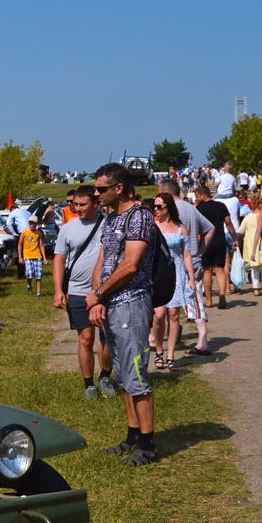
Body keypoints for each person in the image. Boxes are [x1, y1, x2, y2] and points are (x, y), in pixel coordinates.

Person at [86, 163, 158, 466]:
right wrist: (96, 299)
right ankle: (132, 437)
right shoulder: (111, 218)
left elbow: (130, 265)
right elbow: (103, 263)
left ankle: (148, 446)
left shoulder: (139, 217)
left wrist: (101, 294)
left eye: (101, 188)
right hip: (112, 303)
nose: (95, 193)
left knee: (137, 374)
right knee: (124, 373)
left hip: (131, 302)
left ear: (119, 188)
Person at [53, 185, 115, 400]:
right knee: (85, 338)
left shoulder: (109, 225)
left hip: (106, 290)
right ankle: (88, 384)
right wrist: (59, 290)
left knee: (107, 337)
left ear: (96, 203)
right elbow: (59, 260)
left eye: (82, 204)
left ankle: (105, 376)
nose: (77, 208)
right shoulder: (68, 228)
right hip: (78, 290)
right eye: (74, 204)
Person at [158, 179, 214, 355]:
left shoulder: (170, 211)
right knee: (195, 299)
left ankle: (159, 340)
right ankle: (202, 338)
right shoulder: (191, 207)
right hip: (193, 259)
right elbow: (210, 228)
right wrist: (201, 249)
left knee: (170, 305)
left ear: (166, 191)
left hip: (178, 262)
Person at [150, 193, 197, 372]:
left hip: (177, 273)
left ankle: (170, 355)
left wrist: (191, 278)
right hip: (159, 273)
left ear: (168, 207)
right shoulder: (153, 227)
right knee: (159, 315)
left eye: (159, 206)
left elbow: (186, 254)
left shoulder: (180, 228)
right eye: (154, 206)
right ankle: (159, 350)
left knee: (174, 315)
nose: (156, 209)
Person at [194, 186, 238, 309]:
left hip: (205, 242)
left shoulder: (199, 209)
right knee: (220, 269)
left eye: (197, 196)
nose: (197, 199)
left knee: (207, 270)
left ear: (203, 195)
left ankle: (208, 300)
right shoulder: (221, 206)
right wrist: (235, 238)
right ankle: (222, 294)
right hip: (220, 240)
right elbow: (229, 223)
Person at [18, 216, 45, 296]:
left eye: (33, 223)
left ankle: (38, 292)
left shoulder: (38, 233)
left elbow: (41, 246)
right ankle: (29, 285)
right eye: (30, 223)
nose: (32, 225)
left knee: (38, 274)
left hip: (37, 255)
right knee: (29, 273)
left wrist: (44, 257)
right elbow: (20, 244)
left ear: (36, 224)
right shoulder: (24, 232)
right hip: (27, 255)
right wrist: (20, 257)